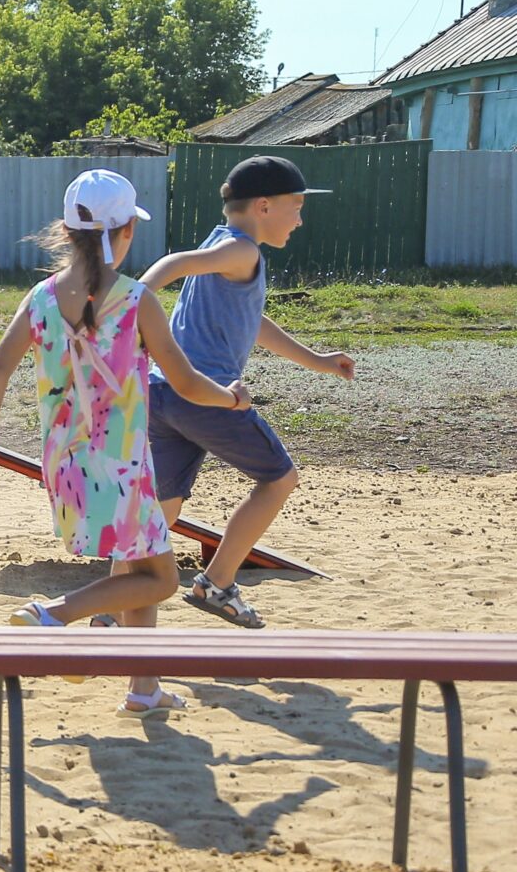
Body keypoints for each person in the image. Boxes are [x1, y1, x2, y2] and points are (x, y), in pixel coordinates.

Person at [0, 170, 249, 719]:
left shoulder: (41, 298)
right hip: (121, 465)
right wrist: (232, 399)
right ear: (127, 232)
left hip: (65, 465)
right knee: (161, 579)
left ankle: (144, 688)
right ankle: (52, 614)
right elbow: (186, 382)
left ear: (66, 231)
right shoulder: (136, 300)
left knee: (138, 569)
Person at [136, 155, 354, 628]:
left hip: (163, 394)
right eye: (296, 207)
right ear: (263, 206)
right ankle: (216, 583)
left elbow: (253, 321)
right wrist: (132, 300)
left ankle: (115, 609)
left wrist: (317, 360)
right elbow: (173, 263)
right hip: (208, 397)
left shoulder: (225, 246)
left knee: (160, 512)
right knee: (280, 480)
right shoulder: (242, 251)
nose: (300, 220)